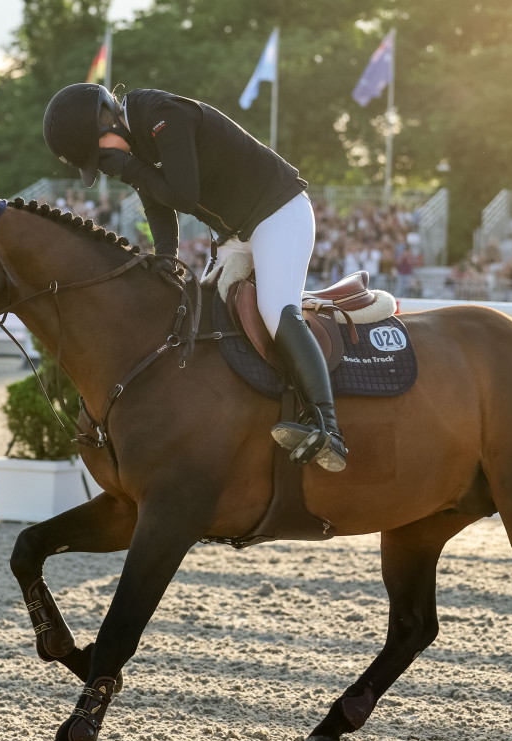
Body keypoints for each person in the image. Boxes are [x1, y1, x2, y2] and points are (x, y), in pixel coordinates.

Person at [42, 83, 347, 471]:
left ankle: (327, 426)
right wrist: (166, 255)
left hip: (279, 213)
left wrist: (130, 167)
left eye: (100, 157)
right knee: (197, 314)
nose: (105, 167)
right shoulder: (132, 137)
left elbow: (183, 196)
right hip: (237, 234)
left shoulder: (164, 116)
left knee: (275, 309)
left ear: (108, 119)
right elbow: (156, 204)